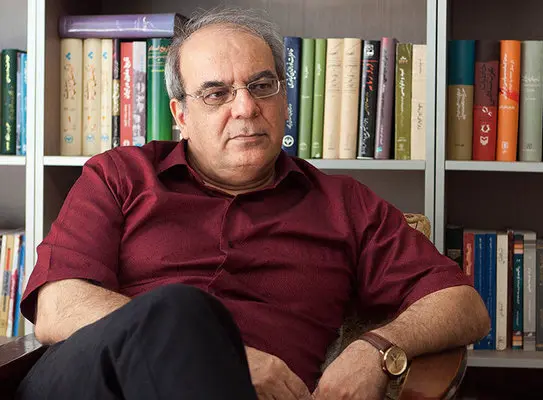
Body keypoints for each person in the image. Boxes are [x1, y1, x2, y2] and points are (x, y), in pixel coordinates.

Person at [16, 6, 490, 400]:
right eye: (216, 93)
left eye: (262, 86)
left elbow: (463, 304)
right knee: (180, 309)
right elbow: (58, 306)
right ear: (181, 115)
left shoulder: (344, 204)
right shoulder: (120, 175)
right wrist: (223, 356)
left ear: (285, 100)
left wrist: (379, 348)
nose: (245, 108)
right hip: (96, 385)